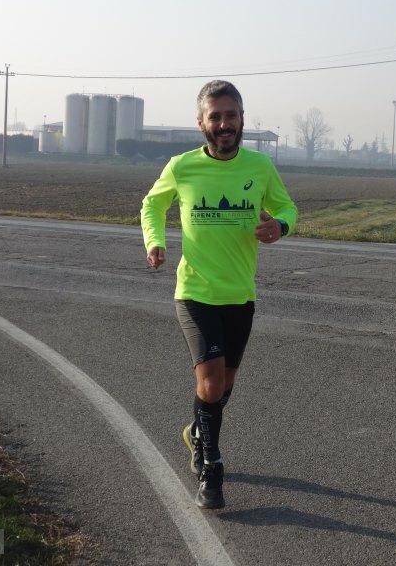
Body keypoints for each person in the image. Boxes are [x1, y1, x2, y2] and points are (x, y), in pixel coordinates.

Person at [140, 80, 297, 509]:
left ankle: (196, 432)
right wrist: (155, 241)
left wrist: (280, 226)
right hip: (195, 293)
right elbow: (152, 205)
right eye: (216, 117)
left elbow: (287, 207)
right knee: (210, 382)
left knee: (223, 387)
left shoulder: (260, 167)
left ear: (242, 119)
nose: (224, 124)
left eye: (231, 116)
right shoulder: (182, 167)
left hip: (240, 295)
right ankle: (212, 468)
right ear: (201, 123)